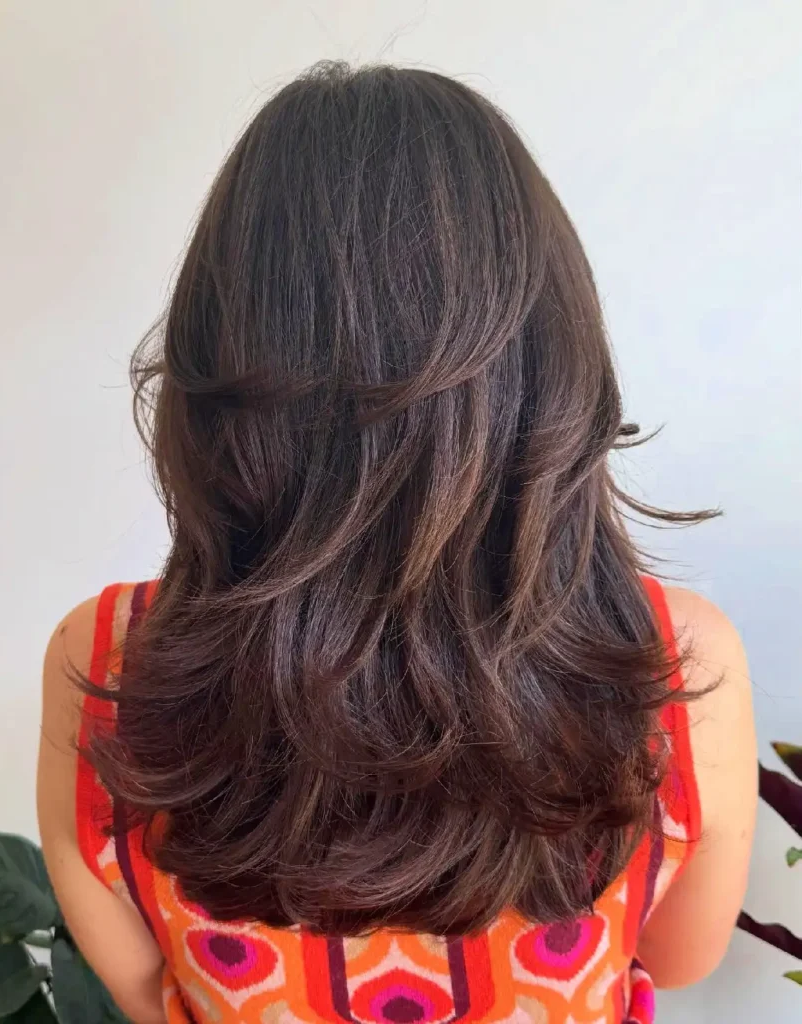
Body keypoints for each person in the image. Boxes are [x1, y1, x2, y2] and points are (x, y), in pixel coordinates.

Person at [37, 63, 757, 1024]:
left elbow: (137, 987)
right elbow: (679, 956)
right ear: (549, 362)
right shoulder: (673, 661)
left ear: (218, 371)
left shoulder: (106, 656)